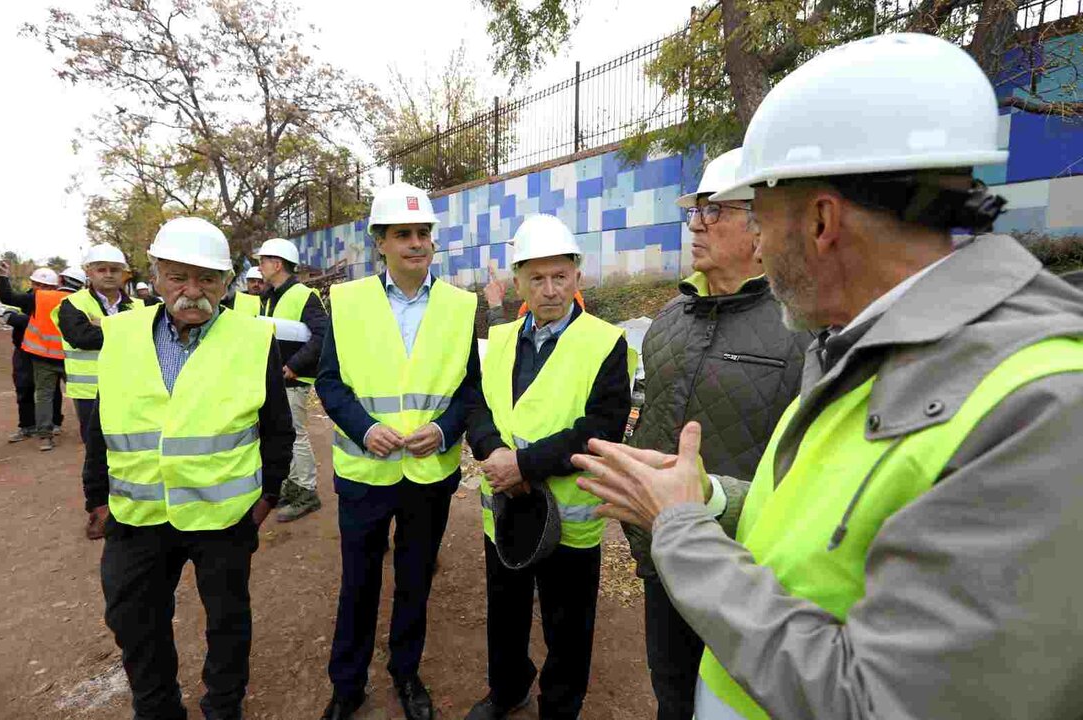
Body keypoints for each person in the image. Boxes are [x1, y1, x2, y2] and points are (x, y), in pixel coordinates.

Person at [573, 33, 1083, 720]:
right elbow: (825, 530)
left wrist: (682, 528)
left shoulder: (1041, 407)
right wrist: (716, 500)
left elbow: (880, 702)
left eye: (759, 214)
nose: (756, 239)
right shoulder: (860, 347)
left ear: (818, 221)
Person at [620, 148, 810, 720]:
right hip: (664, 553)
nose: (696, 225)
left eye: (713, 211)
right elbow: (650, 424)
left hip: (747, 574)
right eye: (694, 212)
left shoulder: (803, 327)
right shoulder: (669, 322)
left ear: (760, 226)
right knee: (671, 690)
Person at [81, 216, 295, 720]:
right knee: (134, 621)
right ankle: (157, 709)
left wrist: (266, 499)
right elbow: (99, 426)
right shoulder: (120, 335)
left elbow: (277, 428)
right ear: (155, 276)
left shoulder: (252, 338)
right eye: (179, 276)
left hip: (224, 519)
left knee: (227, 624)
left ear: (226, 283)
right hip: (137, 517)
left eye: (207, 280)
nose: (193, 291)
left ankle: (223, 708)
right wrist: (95, 497)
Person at [315, 182, 479, 720]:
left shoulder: (460, 306)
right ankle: (348, 684)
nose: (415, 243)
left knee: (414, 581)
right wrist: (364, 429)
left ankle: (406, 675)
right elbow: (331, 383)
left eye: (423, 233)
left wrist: (446, 429)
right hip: (365, 472)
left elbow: (469, 389)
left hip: (429, 472)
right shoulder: (348, 301)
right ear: (379, 243)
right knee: (357, 583)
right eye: (402, 234)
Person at [464, 214, 631, 720]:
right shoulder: (501, 337)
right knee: (506, 611)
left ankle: (559, 706)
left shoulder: (606, 342)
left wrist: (524, 465)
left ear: (578, 276)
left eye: (560, 276)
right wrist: (492, 451)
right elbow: (476, 401)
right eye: (537, 278)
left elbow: (601, 426)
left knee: (569, 623)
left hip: (569, 519)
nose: (550, 289)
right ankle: (508, 688)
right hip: (507, 510)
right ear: (519, 281)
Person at [257, 238, 328, 521]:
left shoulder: (302, 294)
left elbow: (322, 335)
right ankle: (292, 485)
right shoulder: (271, 296)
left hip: (292, 378)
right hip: (275, 379)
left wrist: (293, 365)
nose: (259, 267)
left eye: (262, 261)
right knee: (282, 434)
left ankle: (307, 492)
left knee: (296, 434)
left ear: (277, 264)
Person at [54, 243, 144, 453]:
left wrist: (103, 324)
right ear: (89, 272)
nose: (109, 274)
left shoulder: (140, 306)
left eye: (114, 269)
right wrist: (129, 329)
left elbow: (152, 336)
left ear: (124, 274)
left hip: (132, 388)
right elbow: (81, 337)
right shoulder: (72, 304)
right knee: (97, 451)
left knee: (134, 446)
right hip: (90, 393)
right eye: (101, 269)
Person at [0, 264, 73, 451]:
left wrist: (21, 320)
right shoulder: (30, 298)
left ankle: (53, 424)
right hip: (27, 350)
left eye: (46, 286)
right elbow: (8, 310)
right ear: (32, 283)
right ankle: (28, 426)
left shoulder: (50, 299)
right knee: (25, 388)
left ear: (56, 287)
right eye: (38, 284)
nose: (41, 289)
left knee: (48, 391)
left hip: (46, 353)